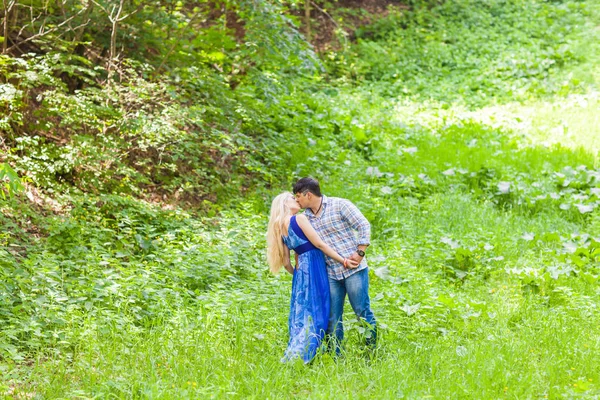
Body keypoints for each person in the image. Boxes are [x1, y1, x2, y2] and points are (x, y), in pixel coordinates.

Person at [267, 192, 359, 363]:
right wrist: (343, 260)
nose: (296, 200)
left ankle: (301, 351)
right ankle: (307, 355)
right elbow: (319, 244)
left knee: (303, 313)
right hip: (315, 266)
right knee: (319, 310)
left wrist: (300, 276)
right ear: (285, 204)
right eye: (292, 199)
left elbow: (286, 262)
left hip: (301, 271)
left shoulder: (279, 228)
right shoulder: (299, 219)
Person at [293, 177, 377, 355]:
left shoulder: (339, 205)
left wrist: (360, 252)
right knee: (332, 317)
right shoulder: (304, 218)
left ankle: (371, 352)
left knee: (362, 310)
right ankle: (336, 356)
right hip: (330, 273)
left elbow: (363, 225)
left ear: (308, 195)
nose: (296, 200)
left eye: (298, 196)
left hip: (354, 268)